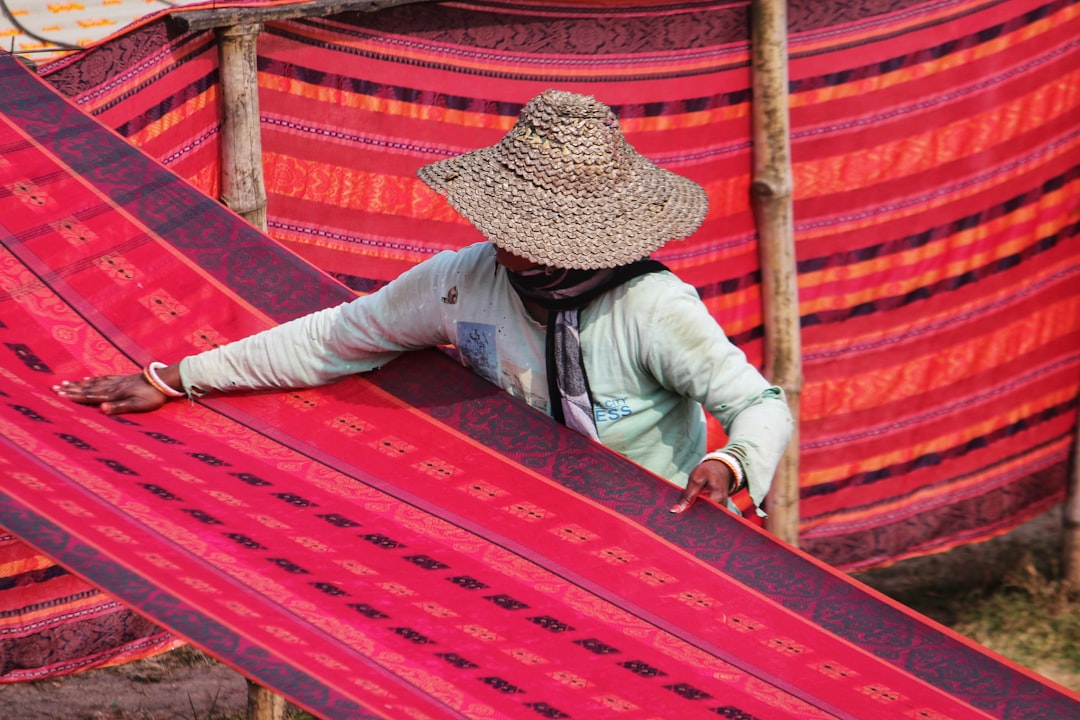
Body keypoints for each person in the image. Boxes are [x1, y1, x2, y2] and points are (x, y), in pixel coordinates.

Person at [54, 89, 793, 516]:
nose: (504, 245)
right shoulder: (462, 281)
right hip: (522, 515)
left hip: (658, 523)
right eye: (504, 229)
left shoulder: (653, 309)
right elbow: (341, 335)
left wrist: (730, 464)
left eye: (525, 234)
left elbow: (760, 405)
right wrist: (174, 378)